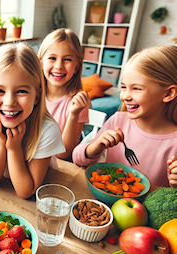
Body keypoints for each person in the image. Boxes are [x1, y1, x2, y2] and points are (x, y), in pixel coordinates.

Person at [0, 43, 65, 199]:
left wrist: (13, 148)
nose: (9, 102)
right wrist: (0, 144)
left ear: (37, 96)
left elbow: (25, 191)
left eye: (21, 91)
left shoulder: (47, 130)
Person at [73, 45, 177, 188]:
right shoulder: (119, 120)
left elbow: (168, 201)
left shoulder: (174, 143)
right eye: (123, 87)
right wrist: (95, 147)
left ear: (168, 94)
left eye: (136, 88)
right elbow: (77, 158)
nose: (124, 96)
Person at [38, 28, 90, 160]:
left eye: (67, 60)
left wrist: (74, 114)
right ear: (41, 62)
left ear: (76, 66)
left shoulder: (78, 103)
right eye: (52, 58)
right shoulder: (32, 93)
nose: (59, 66)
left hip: (59, 165)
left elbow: (63, 154)